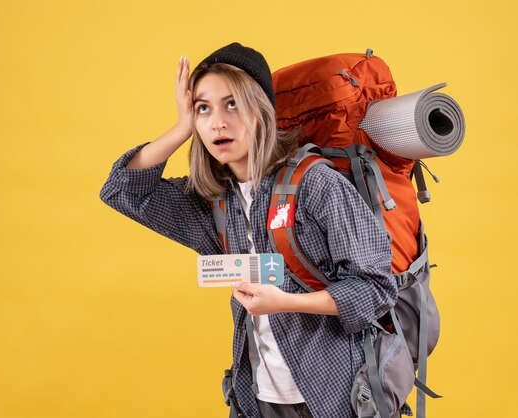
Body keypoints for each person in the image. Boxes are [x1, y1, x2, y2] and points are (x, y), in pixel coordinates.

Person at [100, 42, 397, 418]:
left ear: (261, 111)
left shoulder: (317, 184)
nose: (217, 123)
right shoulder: (214, 201)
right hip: (258, 397)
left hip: (335, 394)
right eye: (203, 108)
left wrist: (287, 302)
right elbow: (122, 190)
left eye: (232, 104)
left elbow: (375, 288)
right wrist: (181, 128)